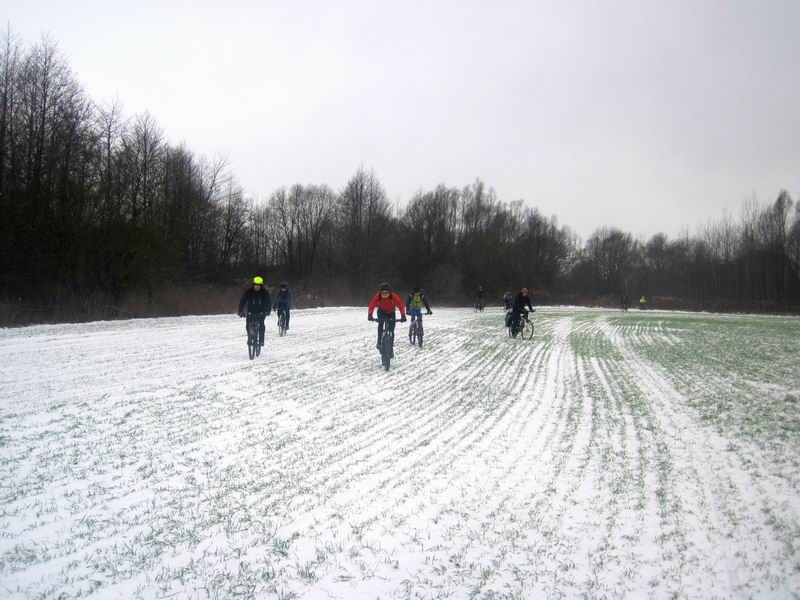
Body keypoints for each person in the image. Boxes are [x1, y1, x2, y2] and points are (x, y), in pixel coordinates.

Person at [368, 282, 406, 354]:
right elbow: (372, 305)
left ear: (389, 292)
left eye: (386, 293)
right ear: (380, 292)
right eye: (383, 293)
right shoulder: (377, 296)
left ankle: (391, 347)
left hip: (391, 313)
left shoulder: (393, 296)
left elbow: (400, 305)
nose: (385, 294)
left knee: (392, 330)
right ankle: (379, 342)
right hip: (381, 312)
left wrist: (403, 315)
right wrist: (370, 315)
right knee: (380, 324)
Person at [238, 276, 272, 346]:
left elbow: (268, 302)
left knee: (261, 325)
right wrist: (240, 311)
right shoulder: (249, 291)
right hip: (251, 311)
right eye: (255, 285)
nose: (256, 287)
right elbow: (243, 300)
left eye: (258, 285)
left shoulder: (264, 292)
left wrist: (267, 311)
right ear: (253, 285)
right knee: (248, 325)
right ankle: (250, 337)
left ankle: (261, 340)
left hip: (261, 312)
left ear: (261, 286)